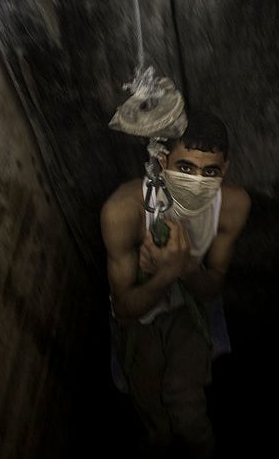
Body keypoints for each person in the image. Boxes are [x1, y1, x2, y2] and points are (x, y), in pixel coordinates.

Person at [102, 111, 251, 458]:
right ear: (164, 161)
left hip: (190, 305)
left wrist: (179, 267)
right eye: (185, 168)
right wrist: (168, 274)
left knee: (186, 408)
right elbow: (124, 307)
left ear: (224, 169)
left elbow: (213, 287)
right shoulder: (124, 211)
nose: (197, 183)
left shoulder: (231, 206)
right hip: (141, 311)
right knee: (153, 410)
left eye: (210, 172)